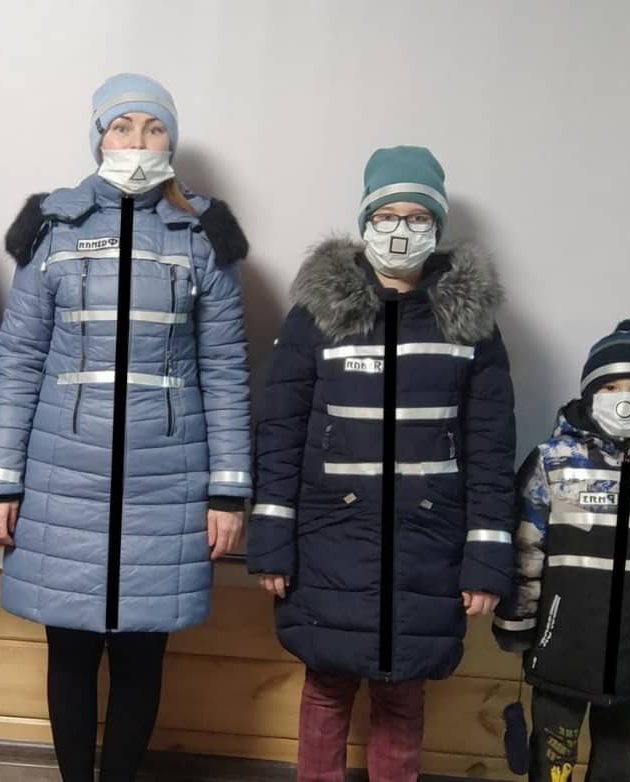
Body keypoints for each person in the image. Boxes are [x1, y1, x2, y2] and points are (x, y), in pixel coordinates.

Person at [0, 72, 251, 781]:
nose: (137, 141)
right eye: (122, 127)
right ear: (99, 137)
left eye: (153, 129)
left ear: (171, 142)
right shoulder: (53, 228)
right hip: (62, 482)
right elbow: (17, 360)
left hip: (169, 485)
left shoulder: (203, 236)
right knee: (68, 652)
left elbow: (225, 368)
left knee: (141, 654)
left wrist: (229, 491)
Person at [247, 146, 516, 782]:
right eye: (388, 214)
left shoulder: (470, 325)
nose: (401, 229)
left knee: (403, 693)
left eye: (417, 217)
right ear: (366, 220)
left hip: (430, 544)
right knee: (326, 686)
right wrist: (271, 542)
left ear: (437, 226)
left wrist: (486, 558)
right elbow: (279, 431)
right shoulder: (315, 315)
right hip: (328, 541)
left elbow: (490, 445)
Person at [493, 320, 630, 782]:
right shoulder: (552, 461)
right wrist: (516, 626)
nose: (624, 397)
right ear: (591, 391)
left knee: (615, 762)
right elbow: (524, 552)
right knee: (551, 765)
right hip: (559, 653)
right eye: (611, 386)